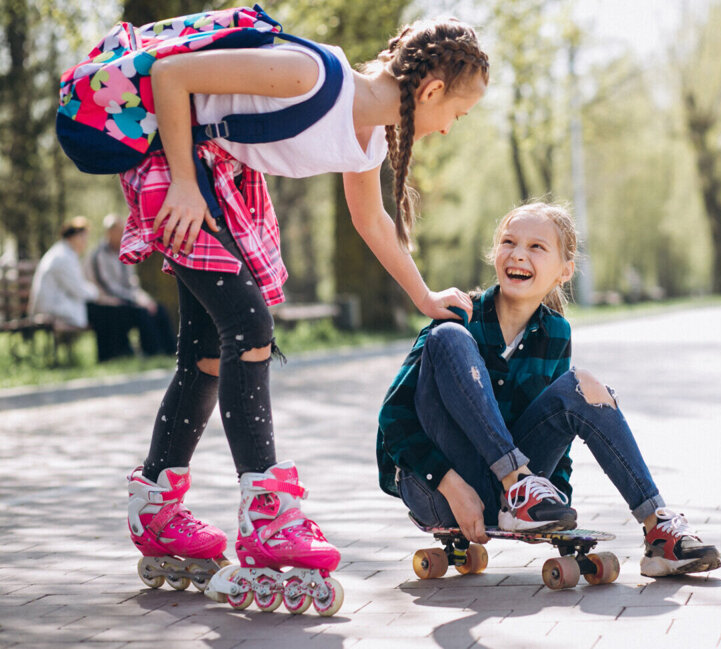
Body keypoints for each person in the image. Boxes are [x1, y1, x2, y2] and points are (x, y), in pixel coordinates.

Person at [117, 14, 490, 607]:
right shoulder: (314, 76)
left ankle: (156, 510)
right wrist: (186, 184)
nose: (448, 131)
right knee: (248, 326)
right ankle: (269, 517)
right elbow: (171, 74)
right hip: (175, 163)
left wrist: (425, 297)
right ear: (432, 92)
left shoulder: (369, 134)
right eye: (457, 115)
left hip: (223, 181)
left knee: (209, 351)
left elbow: (372, 221)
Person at [376, 202, 721, 577]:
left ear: (564, 271)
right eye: (509, 242)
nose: (518, 254)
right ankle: (518, 485)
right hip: (441, 490)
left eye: (537, 247)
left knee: (583, 385)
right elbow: (393, 420)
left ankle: (659, 531)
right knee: (448, 337)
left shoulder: (555, 333)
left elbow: (557, 432)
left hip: (511, 502)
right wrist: (449, 484)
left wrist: (558, 506)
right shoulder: (459, 314)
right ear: (496, 254)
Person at [86, 214, 175, 360]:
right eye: (120, 230)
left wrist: (144, 299)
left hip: (126, 297)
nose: (123, 233)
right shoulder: (98, 255)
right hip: (107, 301)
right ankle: (152, 352)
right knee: (141, 312)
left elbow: (132, 283)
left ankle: (170, 351)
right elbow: (108, 286)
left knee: (158, 308)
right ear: (110, 232)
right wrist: (135, 300)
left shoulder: (125, 251)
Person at [29, 217, 99, 333]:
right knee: (103, 311)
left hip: (57, 305)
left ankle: (111, 349)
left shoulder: (64, 253)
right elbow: (78, 290)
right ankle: (110, 350)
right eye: (82, 237)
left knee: (103, 310)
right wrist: (96, 293)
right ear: (71, 237)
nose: (85, 242)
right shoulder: (63, 257)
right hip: (52, 309)